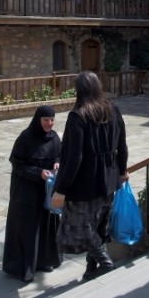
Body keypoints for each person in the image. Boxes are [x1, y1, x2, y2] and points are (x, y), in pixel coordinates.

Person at [51, 71, 128, 281]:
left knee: (82, 228)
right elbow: (122, 146)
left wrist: (61, 189)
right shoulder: (113, 110)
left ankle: (104, 262)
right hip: (110, 179)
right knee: (99, 226)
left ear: (79, 90)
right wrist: (122, 171)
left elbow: (73, 158)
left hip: (85, 183)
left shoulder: (77, 116)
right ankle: (91, 269)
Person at [2, 105, 63, 282]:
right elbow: (17, 164)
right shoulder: (25, 138)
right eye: (46, 120)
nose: (49, 123)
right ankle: (25, 268)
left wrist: (57, 163)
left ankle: (45, 261)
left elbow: (60, 154)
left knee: (46, 226)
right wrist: (38, 173)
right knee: (28, 229)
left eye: (52, 120)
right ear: (38, 120)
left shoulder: (54, 137)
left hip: (46, 192)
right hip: (26, 193)